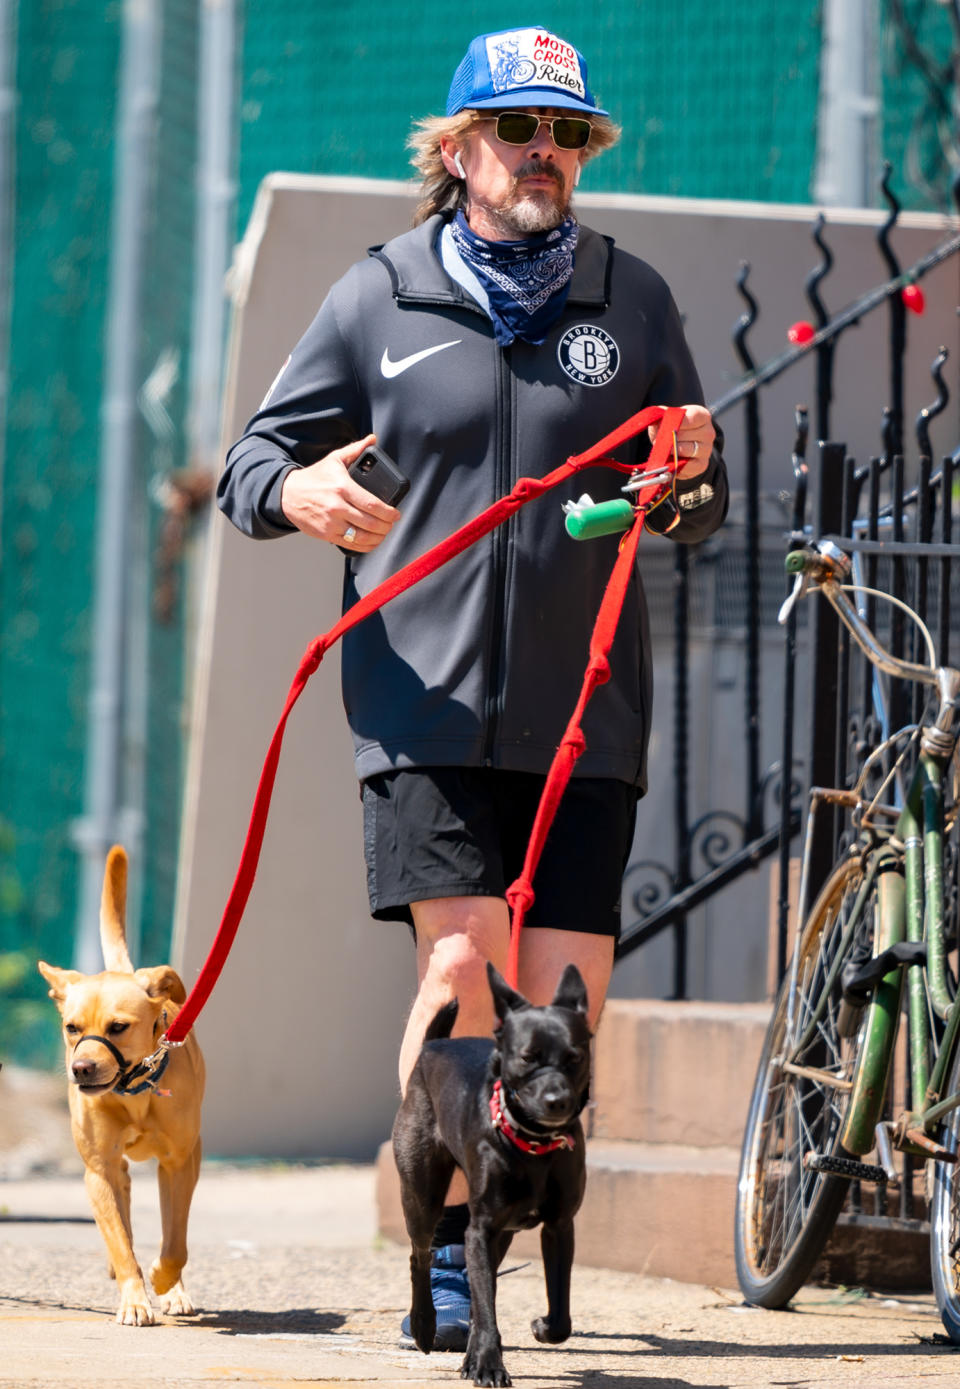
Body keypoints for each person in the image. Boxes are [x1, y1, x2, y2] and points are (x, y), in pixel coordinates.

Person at [218, 24, 728, 1350]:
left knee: (564, 1006)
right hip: (421, 701)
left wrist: (686, 485)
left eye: (568, 136)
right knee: (464, 971)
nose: (546, 155)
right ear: (456, 151)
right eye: (519, 131)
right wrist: (300, 487)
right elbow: (249, 466)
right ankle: (443, 1263)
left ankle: (511, 1242)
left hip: (588, 711)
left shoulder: (634, 300)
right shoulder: (377, 296)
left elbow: (696, 494)